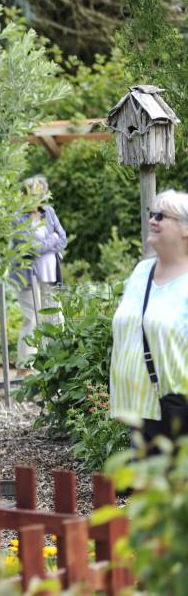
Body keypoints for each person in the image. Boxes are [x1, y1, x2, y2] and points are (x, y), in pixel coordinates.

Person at [110, 189, 188, 446]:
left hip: (176, 414)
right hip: (139, 410)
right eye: (152, 214)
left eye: (162, 216)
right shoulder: (142, 271)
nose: (152, 220)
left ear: (185, 230)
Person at [13, 175, 68, 367]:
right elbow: (31, 247)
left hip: (51, 273)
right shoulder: (18, 217)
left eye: (40, 193)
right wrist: (51, 240)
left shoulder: (49, 212)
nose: (38, 197)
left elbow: (63, 238)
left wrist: (49, 241)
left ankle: (55, 362)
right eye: (33, 194)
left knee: (55, 317)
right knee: (32, 320)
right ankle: (26, 366)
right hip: (28, 276)